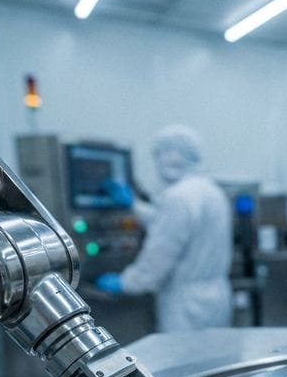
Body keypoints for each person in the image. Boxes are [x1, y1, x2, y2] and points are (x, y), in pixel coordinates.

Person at [95, 125, 233, 332]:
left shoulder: (178, 197)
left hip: (186, 307)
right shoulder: (211, 191)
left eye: (160, 153)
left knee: (183, 353)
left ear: (172, 155)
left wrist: (125, 282)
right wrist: (133, 205)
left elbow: (159, 256)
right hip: (215, 299)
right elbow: (173, 227)